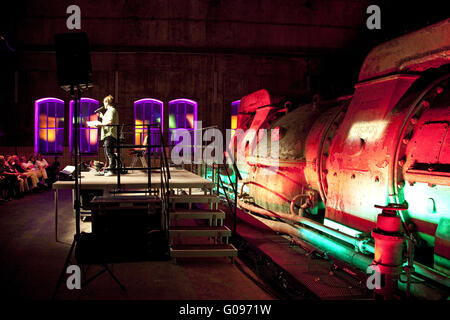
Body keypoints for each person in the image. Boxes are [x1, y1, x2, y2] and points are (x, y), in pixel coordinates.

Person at [97, 95, 119, 176]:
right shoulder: (109, 111)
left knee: (109, 152)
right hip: (108, 134)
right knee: (108, 152)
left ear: (107, 102)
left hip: (110, 134)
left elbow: (110, 122)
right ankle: (110, 168)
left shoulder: (111, 110)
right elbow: (108, 120)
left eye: (104, 102)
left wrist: (100, 125)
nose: (104, 104)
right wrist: (103, 117)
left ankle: (112, 170)